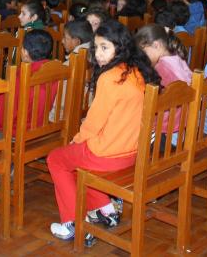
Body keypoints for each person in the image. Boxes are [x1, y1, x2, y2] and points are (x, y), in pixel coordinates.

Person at [46, 20, 160, 243]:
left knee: (57, 159)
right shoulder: (138, 73)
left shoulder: (109, 78)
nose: (98, 54)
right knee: (75, 160)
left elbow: (93, 124)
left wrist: (75, 141)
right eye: (96, 47)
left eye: (104, 47)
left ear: (121, 47)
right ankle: (105, 209)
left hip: (107, 154)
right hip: (132, 154)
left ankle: (73, 223)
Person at [136, 24, 191, 146]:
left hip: (167, 135)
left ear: (156, 45)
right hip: (184, 130)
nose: (142, 57)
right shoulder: (178, 59)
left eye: (143, 51)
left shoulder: (161, 68)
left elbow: (152, 104)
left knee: (129, 136)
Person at [0, 30, 56, 136]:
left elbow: (1, 117)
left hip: (19, 133)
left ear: (24, 52)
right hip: (45, 129)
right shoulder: (58, 72)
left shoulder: (20, 76)